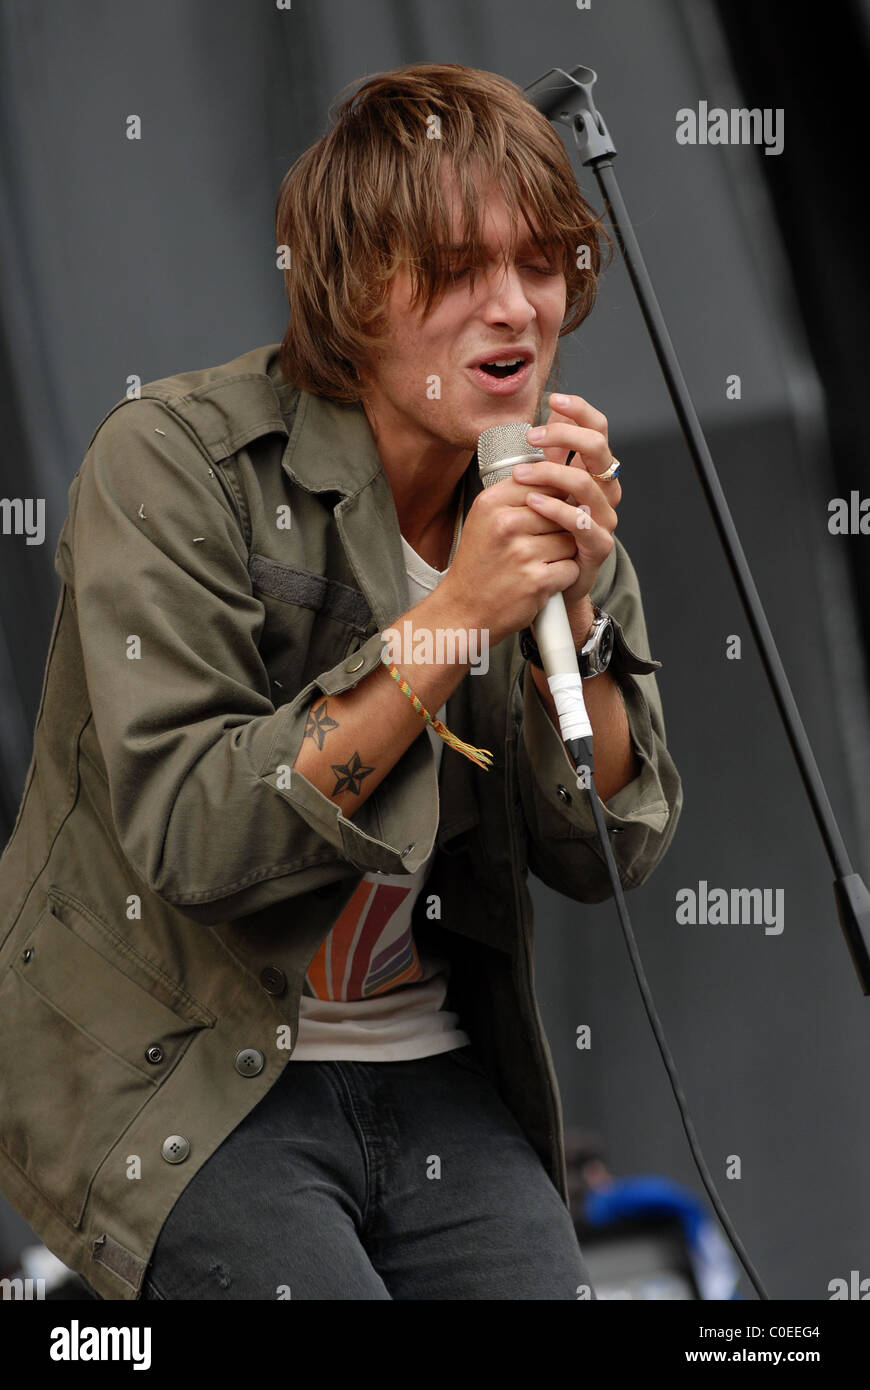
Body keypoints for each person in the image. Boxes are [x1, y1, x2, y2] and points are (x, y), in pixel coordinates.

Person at [0, 62, 682, 1300]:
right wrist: (457, 612)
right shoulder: (171, 461)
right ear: (358, 287)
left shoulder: (538, 505)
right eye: (459, 269)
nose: (516, 308)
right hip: (186, 1072)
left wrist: (571, 613)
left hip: (432, 1069)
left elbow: (605, 851)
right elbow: (198, 833)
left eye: (542, 264)